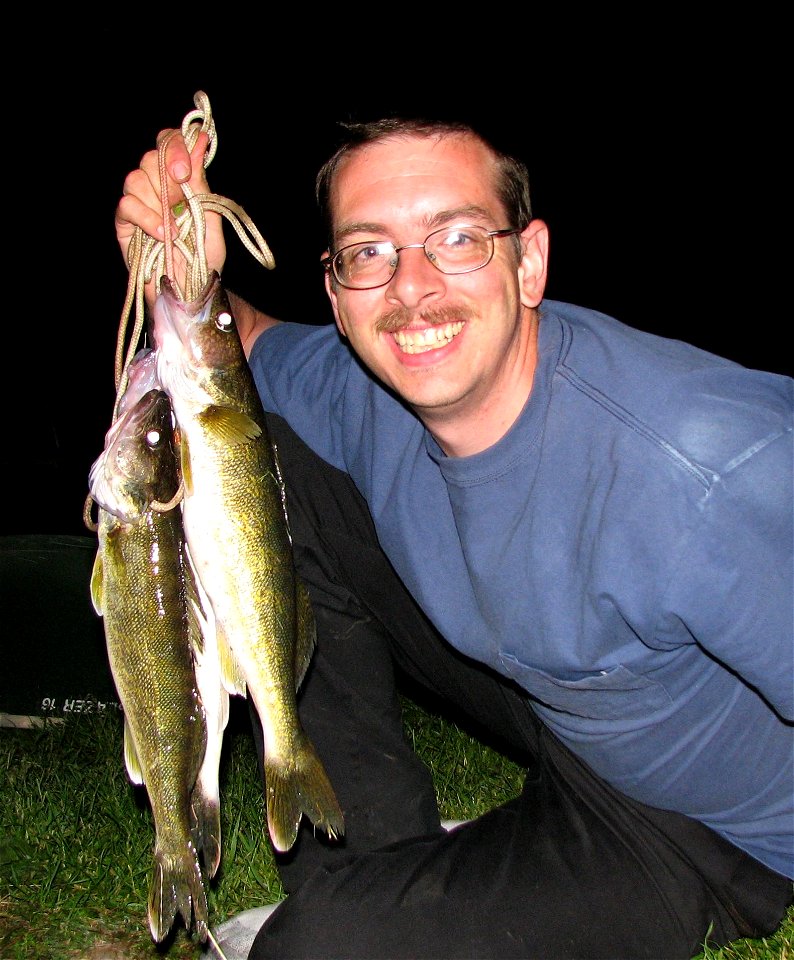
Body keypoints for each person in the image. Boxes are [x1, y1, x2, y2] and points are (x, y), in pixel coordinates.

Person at [115, 116, 793, 960]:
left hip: (698, 827)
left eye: (458, 238)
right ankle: (374, 858)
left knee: (315, 950)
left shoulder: (705, 467)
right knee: (263, 454)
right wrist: (183, 271)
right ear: (335, 292)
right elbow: (231, 351)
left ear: (530, 260)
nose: (412, 289)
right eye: (369, 252)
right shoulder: (375, 389)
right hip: (562, 704)